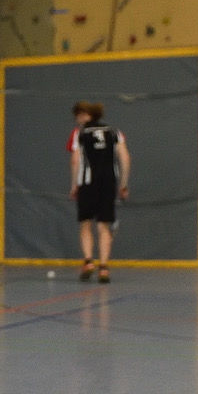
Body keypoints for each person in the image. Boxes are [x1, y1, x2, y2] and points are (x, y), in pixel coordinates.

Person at [68, 101, 130, 283]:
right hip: (108, 182)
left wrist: (74, 186)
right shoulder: (114, 131)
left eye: (77, 116)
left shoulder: (79, 132)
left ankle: (88, 262)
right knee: (103, 225)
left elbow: (75, 160)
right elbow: (125, 158)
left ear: (83, 115)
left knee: (86, 223)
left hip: (87, 182)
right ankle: (103, 268)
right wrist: (123, 184)